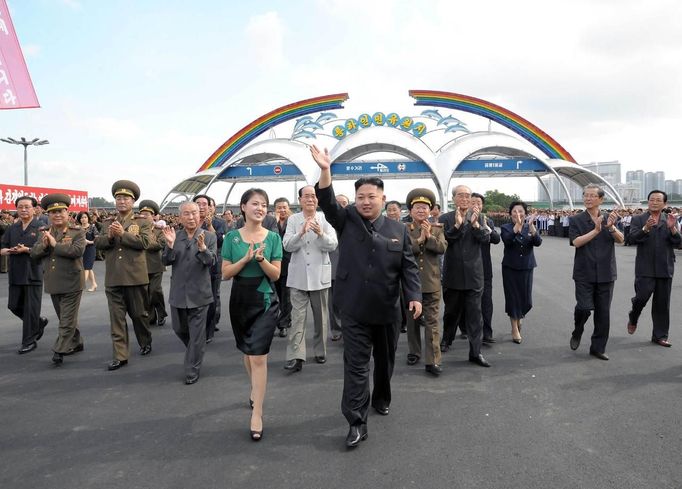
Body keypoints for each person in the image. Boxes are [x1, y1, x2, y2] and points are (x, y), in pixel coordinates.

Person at [310, 145, 422, 448]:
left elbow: (409, 267)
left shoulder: (398, 228)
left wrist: (414, 296)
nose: (365, 201)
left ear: (383, 199)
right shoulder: (346, 219)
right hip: (354, 309)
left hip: (387, 310)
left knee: (384, 364)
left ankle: (382, 397)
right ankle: (356, 421)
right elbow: (327, 201)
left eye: (371, 197)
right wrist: (325, 170)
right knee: (356, 366)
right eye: (361, 197)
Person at [222, 188, 282, 442]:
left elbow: (276, 274)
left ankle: (257, 412)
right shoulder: (232, 238)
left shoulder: (273, 238)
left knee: (259, 357)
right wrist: (245, 259)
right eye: (255, 203)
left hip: (266, 299)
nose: (260, 208)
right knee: (248, 353)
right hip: (240, 299)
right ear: (243, 207)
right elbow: (225, 273)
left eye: (264, 204)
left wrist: (260, 261)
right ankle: (255, 390)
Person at [95, 180, 153, 371]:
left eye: (126, 198)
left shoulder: (143, 221)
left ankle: (145, 340)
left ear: (133, 201)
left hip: (135, 277)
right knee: (116, 318)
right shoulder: (107, 223)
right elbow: (99, 243)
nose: (121, 201)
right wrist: (110, 237)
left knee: (139, 314)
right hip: (114, 277)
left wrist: (123, 234)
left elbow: (144, 243)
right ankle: (120, 355)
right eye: (118, 198)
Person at [282, 186, 337, 372]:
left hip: (319, 276)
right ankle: (296, 355)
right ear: (300, 200)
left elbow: (332, 245)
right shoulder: (293, 219)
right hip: (298, 277)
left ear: (317, 200)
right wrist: (301, 232)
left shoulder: (325, 219)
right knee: (297, 317)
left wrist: (321, 234)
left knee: (321, 317)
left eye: (313, 196)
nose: (310, 199)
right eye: (306, 196)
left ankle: (320, 350)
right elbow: (287, 245)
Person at [162, 201, 217, 384]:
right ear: (180, 217)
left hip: (200, 295)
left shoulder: (209, 237)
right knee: (179, 329)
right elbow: (166, 261)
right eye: (187, 213)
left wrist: (203, 250)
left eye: (194, 213)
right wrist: (169, 247)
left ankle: (192, 369)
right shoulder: (174, 236)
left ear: (199, 215)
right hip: (178, 294)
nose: (191, 217)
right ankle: (195, 350)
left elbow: (211, 262)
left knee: (197, 335)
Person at [568, 185, 623, 360]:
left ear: (601, 199)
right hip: (584, 272)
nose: (588, 198)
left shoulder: (609, 219)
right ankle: (578, 329)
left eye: (592, 196)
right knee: (584, 308)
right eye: (586, 196)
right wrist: (596, 230)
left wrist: (611, 227)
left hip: (607, 273)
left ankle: (598, 347)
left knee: (603, 313)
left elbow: (621, 240)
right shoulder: (576, 219)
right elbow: (576, 242)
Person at [30, 194, 86, 365]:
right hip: (53, 282)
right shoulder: (44, 233)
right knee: (64, 317)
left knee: (66, 320)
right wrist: (45, 245)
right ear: (48, 214)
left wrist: (55, 245)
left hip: (72, 282)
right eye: (53, 212)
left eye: (60, 211)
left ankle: (59, 350)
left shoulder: (78, 232)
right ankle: (77, 342)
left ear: (67, 212)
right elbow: (34, 254)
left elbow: (76, 252)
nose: (57, 215)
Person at [439, 185, 491, 367]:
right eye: (460, 195)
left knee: (475, 315)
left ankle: (475, 352)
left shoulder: (480, 217)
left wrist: (476, 225)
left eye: (467, 196)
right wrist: (458, 225)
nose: (465, 199)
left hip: (474, 275)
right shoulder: (445, 218)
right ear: (454, 198)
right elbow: (445, 240)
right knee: (451, 312)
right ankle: (446, 339)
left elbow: (486, 239)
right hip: (453, 274)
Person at [626, 190, 681, 347]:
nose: (654, 202)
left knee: (662, 304)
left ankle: (660, 335)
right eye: (651, 199)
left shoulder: (670, 219)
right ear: (648, 202)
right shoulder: (638, 219)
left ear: (664, 204)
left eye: (658, 200)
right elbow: (630, 239)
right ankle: (633, 315)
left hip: (665, 267)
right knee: (641, 297)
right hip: (645, 267)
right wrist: (645, 229)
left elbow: (678, 242)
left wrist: (672, 228)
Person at [404, 188, 446, 375]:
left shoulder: (437, 229)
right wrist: (419, 239)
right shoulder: (404, 229)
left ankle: (433, 360)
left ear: (430, 211)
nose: (421, 211)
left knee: (432, 323)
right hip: (410, 284)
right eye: (417, 208)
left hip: (431, 283)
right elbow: (402, 251)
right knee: (412, 322)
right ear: (411, 211)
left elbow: (442, 248)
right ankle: (414, 351)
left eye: (425, 208)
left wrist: (428, 238)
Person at [0, 195, 48, 354]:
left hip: (33, 272)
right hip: (15, 272)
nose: (23, 210)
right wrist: (9, 251)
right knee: (13, 305)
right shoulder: (12, 228)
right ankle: (38, 322)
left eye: (27, 206)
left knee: (30, 309)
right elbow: (3, 247)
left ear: (34, 209)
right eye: (20, 207)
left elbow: (44, 249)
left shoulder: (41, 227)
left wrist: (26, 250)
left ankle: (29, 341)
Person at [500, 201, 542, 344]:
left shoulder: (529, 226)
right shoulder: (506, 228)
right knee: (513, 298)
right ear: (510, 214)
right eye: (515, 211)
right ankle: (514, 329)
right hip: (510, 268)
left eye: (521, 211)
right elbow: (508, 241)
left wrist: (531, 227)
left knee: (526, 300)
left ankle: (520, 316)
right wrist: (517, 226)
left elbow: (537, 242)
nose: (518, 214)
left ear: (525, 213)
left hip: (526, 267)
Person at [193, 195, 226, 343]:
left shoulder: (219, 222)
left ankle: (209, 329)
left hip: (212, 264)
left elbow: (220, 242)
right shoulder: (188, 221)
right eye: (197, 203)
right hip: (193, 266)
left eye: (204, 204)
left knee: (212, 297)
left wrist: (210, 226)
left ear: (210, 206)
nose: (201, 207)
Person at [472, 193, 501, 344]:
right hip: (468, 268)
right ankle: (466, 329)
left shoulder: (487, 220)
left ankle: (487, 332)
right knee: (468, 303)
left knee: (486, 301)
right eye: (473, 202)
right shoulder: (462, 219)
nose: (476, 205)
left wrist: (487, 228)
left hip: (484, 268)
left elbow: (496, 239)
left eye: (479, 202)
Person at [138, 200, 168, 327]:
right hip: (140, 266)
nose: (144, 217)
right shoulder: (136, 230)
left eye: (147, 214)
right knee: (144, 293)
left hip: (156, 265)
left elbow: (160, 244)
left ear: (153, 216)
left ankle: (161, 313)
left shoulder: (159, 230)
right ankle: (151, 316)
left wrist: (145, 243)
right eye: (142, 214)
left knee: (155, 291)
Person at [328, 194, 349, 341]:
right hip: (333, 267)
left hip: (352, 268)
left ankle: (349, 329)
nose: (341, 205)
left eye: (344, 203)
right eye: (338, 203)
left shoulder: (355, 221)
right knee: (334, 302)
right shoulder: (327, 222)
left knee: (351, 302)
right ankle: (336, 329)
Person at [273, 197, 292, 338]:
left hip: (289, 264)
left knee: (286, 296)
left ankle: (283, 324)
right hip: (274, 264)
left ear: (289, 208)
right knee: (279, 295)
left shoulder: (293, 222)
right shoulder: (270, 223)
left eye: (284, 207)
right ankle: (287, 317)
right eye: (279, 207)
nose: (282, 210)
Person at [77, 211, 99, 292]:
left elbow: (97, 239)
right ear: (79, 219)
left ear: (88, 218)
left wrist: (89, 242)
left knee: (86, 267)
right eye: (82, 218)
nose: (83, 219)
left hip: (91, 249)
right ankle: (94, 284)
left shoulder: (92, 227)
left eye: (85, 217)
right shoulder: (78, 228)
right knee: (89, 268)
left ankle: (81, 286)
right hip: (82, 250)